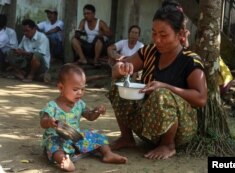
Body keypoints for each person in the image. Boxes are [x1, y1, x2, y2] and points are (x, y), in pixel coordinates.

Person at [107, 0, 207, 160]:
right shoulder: (149, 51)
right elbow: (121, 69)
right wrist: (119, 69)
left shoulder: (190, 61)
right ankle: (127, 137)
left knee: (161, 94)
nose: (157, 40)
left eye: (163, 35)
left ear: (180, 34)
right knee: (118, 87)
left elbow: (201, 99)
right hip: (148, 125)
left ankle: (168, 145)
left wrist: (166, 87)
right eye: (154, 33)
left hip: (181, 129)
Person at [40, 63, 127, 172]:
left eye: (83, 89)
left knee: (96, 135)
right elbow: (43, 122)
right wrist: (49, 122)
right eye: (75, 89)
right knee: (54, 147)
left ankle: (108, 154)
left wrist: (97, 111)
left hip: (75, 137)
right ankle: (64, 161)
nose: (80, 93)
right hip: (56, 139)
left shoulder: (79, 104)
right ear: (61, 87)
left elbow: (90, 116)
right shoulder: (52, 106)